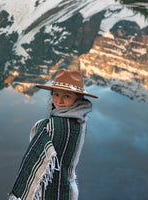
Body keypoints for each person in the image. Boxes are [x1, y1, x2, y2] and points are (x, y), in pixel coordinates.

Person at [8, 68, 98, 200]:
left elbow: (33, 162)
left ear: (78, 98)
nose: (59, 101)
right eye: (56, 94)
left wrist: (17, 194)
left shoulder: (55, 126)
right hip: (68, 188)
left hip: (49, 192)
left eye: (66, 96)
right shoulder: (79, 120)